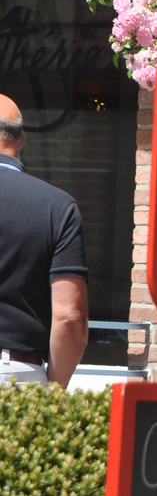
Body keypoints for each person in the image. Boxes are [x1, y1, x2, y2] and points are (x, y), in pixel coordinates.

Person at [0, 94, 88, 386]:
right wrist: (55, 390)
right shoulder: (57, 207)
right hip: (18, 376)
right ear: (22, 139)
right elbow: (69, 317)